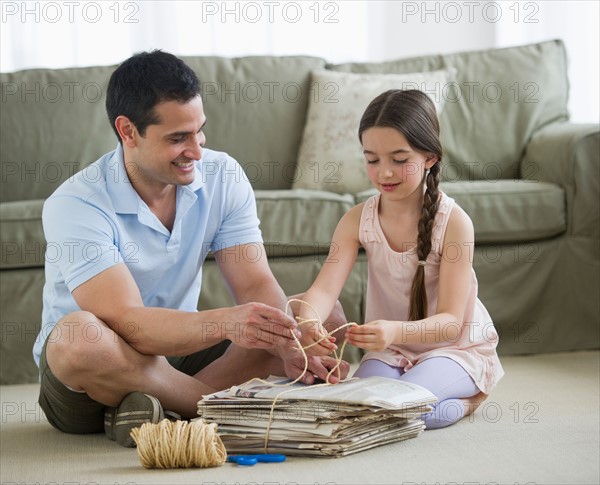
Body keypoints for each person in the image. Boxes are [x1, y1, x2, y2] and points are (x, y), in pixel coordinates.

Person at [33, 50, 348, 447]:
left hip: (181, 352)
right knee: (79, 337)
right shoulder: (76, 203)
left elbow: (254, 284)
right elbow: (129, 323)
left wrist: (286, 341)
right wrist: (226, 323)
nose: (197, 151)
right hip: (93, 372)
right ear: (128, 132)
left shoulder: (223, 175)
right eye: (178, 138)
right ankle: (204, 407)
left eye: (199, 131)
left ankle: (149, 410)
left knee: (320, 317)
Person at [298, 89, 504, 429]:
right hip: (392, 350)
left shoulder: (454, 222)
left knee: (405, 407)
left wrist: (393, 330)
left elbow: (452, 321)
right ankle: (427, 393)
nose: (385, 173)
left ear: (430, 158)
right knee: (364, 407)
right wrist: (309, 324)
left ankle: (470, 400)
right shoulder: (356, 220)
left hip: (454, 348)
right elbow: (323, 291)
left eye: (400, 159)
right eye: (372, 159)